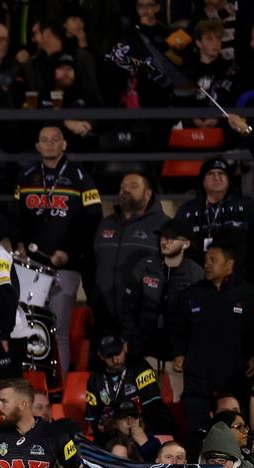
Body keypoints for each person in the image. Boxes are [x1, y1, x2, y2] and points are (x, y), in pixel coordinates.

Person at [12, 125, 101, 374]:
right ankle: (33, 389)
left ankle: (58, 390)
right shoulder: (25, 176)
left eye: (55, 139)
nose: (49, 144)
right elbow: (15, 217)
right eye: (44, 140)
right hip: (32, 268)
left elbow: (93, 220)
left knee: (58, 330)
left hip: (66, 266)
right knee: (31, 328)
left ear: (64, 144)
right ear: (37, 146)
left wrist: (70, 253)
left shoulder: (81, 178)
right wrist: (18, 243)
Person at [172, 244, 254, 444]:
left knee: (237, 437)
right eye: (206, 260)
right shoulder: (191, 295)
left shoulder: (248, 294)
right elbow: (178, 329)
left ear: (229, 264)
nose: (207, 264)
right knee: (196, 436)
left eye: (213, 260)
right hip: (199, 384)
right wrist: (178, 353)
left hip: (235, 380)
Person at [121, 219, 204, 399]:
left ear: (186, 244)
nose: (164, 242)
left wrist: (187, 354)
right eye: (163, 237)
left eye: (171, 238)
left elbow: (200, 322)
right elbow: (129, 308)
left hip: (178, 358)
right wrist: (128, 340)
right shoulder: (144, 267)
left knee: (179, 406)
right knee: (143, 404)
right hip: (144, 353)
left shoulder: (196, 274)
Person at [90, 172, 167, 335]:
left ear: (148, 194)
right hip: (105, 320)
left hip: (143, 323)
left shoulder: (163, 225)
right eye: (123, 187)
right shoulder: (105, 223)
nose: (125, 190)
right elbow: (92, 265)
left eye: (133, 186)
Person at [84, 334, 175, 443]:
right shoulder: (94, 380)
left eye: (118, 353)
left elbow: (154, 409)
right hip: (113, 435)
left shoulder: (140, 368)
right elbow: (94, 420)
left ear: (125, 347)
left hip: (145, 430)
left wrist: (136, 432)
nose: (115, 360)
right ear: (100, 355)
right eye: (109, 356)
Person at [173, 158, 254, 268]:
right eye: (211, 173)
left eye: (221, 173)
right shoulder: (187, 211)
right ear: (203, 180)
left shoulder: (247, 206)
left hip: (239, 276)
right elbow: (178, 248)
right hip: (198, 275)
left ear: (229, 179)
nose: (217, 178)